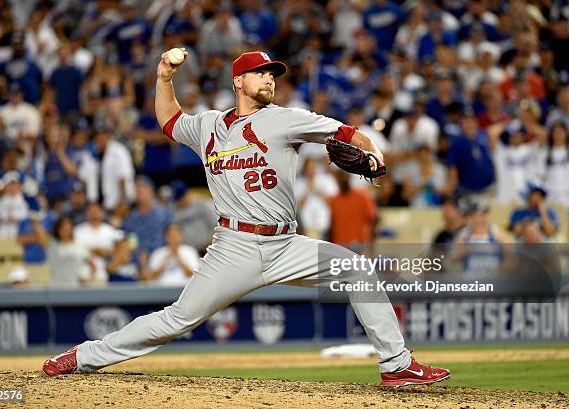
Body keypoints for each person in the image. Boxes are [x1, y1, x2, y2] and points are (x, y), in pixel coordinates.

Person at [44, 49, 450, 387]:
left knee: (357, 269)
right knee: (177, 320)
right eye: (260, 73)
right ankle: (83, 357)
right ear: (238, 81)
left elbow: (346, 134)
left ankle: (396, 365)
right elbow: (169, 121)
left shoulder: (284, 118)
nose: (269, 79)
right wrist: (164, 78)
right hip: (233, 248)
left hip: (287, 244)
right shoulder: (208, 126)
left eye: (272, 74)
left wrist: (374, 153)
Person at [33, 216, 93, 286]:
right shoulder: (52, 244)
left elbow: (93, 265)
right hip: (56, 287)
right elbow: (40, 236)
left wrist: (89, 278)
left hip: (75, 287)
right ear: (57, 229)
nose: (65, 229)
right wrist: (34, 220)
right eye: (63, 227)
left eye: (68, 227)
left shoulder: (79, 246)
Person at [74, 202, 125, 282]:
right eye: (91, 212)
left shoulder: (110, 231)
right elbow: (75, 249)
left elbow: (122, 246)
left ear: (102, 213)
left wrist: (106, 252)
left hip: (104, 268)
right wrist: (94, 252)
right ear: (86, 214)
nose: (94, 214)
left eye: (96, 211)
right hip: (82, 267)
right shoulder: (78, 231)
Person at [122, 176, 172, 255]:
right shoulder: (131, 218)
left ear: (151, 191)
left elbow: (172, 236)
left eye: (143, 189)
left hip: (161, 256)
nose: (139, 192)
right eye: (137, 190)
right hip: (137, 258)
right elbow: (131, 239)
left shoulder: (164, 214)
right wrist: (137, 253)